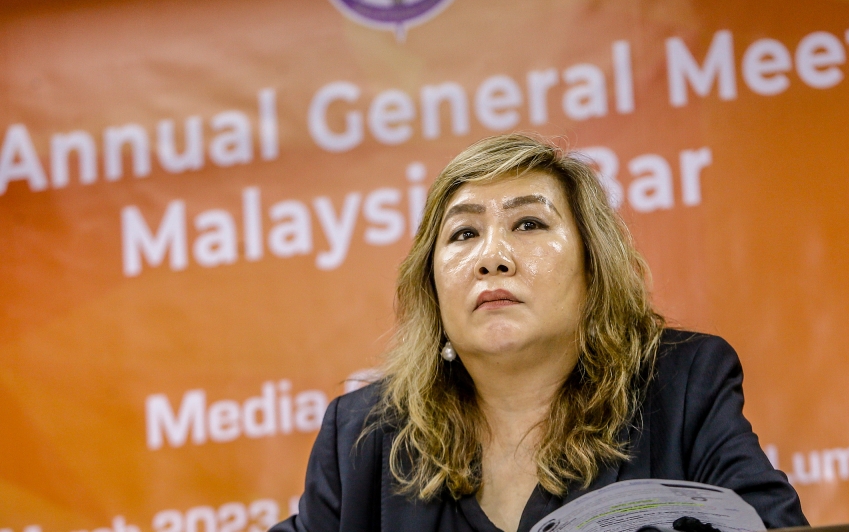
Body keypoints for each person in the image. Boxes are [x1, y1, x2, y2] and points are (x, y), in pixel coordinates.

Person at [271, 134, 808, 532]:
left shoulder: (681, 385)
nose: (493, 258)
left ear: (592, 267)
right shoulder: (365, 434)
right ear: (431, 289)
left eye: (529, 224)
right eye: (463, 233)